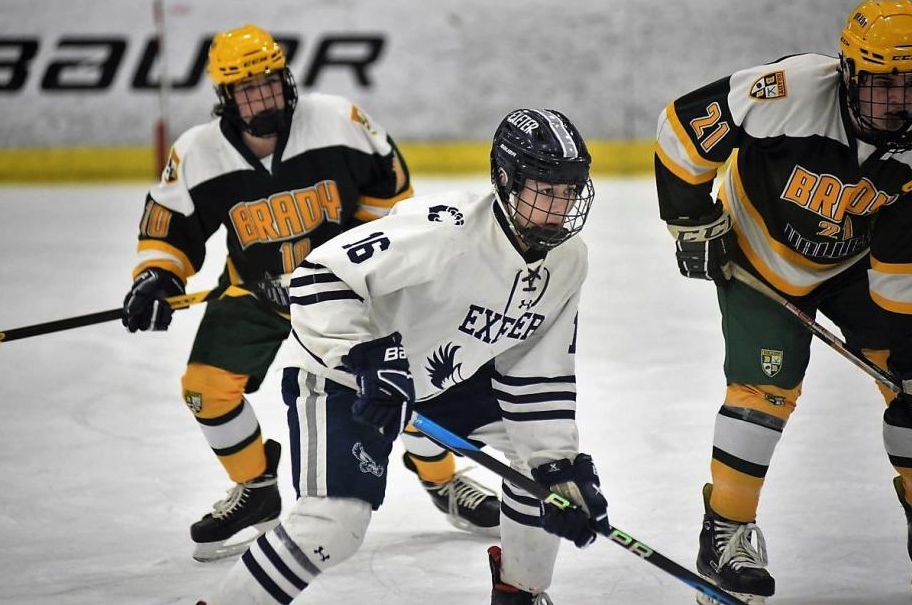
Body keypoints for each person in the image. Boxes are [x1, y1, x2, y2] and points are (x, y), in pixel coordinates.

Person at [121, 24, 499, 563]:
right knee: (205, 387)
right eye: (247, 89)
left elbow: (391, 196)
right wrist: (156, 276)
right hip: (257, 291)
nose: (262, 98)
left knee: (410, 380)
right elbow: (167, 227)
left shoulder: (339, 122)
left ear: (286, 81)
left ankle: (442, 479)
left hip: (349, 292)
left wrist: (384, 269)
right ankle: (255, 489)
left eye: (269, 83)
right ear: (226, 98)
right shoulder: (197, 154)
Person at [200, 108, 610, 605]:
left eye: (568, 193)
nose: (558, 210)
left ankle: (519, 594)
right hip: (345, 373)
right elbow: (318, 277)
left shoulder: (569, 260)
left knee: (539, 471)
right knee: (334, 525)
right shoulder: (445, 229)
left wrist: (556, 467)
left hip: (434, 380)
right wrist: (367, 356)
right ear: (505, 180)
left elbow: (537, 373)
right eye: (545, 192)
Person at [654, 0, 912, 603]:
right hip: (758, 254)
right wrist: (691, 221)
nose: (895, 101)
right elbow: (680, 129)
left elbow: (906, 269)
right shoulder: (787, 90)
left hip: (858, 265)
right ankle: (724, 533)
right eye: (882, 83)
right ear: (849, 72)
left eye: (910, 84)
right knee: (762, 394)